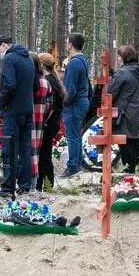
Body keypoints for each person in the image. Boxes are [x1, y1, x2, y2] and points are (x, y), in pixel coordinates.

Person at [0, 35, 37, 193]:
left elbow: (10, 84)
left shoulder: (9, 59)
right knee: (25, 149)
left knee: (9, 149)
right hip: (27, 110)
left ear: (4, 45)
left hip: (12, 111)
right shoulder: (29, 59)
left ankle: (7, 187)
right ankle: (25, 185)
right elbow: (36, 84)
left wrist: (0, 102)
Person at [108, 45, 139, 173]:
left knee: (124, 144)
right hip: (134, 113)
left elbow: (110, 92)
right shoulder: (138, 72)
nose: (118, 59)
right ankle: (131, 173)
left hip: (123, 114)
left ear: (125, 57)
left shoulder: (123, 73)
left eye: (119, 56)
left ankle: (128, 174)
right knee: (130, 144)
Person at [61, 33, 90, 178]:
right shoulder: (83, 60)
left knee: (72, 135)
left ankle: (73, 165)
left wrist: (63, 100)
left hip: (74, 103)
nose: (66, 45)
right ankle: (77, 164)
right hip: (81, 101)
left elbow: (69, 89)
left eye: (67, 42)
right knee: (76, 134)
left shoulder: (74, 63)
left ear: (71, 45)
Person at [37, 53, 65, 191]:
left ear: (42, 65)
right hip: (53, 122)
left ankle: (46, 185)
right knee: (44, 155)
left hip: (48, 122)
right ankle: (44, 184)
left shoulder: (47, 81)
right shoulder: (54, 79)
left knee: (44, 156)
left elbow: (49, 105)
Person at [29, 52, 52, 187]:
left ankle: (27, 183)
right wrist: (43, 115)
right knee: (35, 153)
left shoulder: (26, 82)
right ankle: (34, 183)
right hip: (39, 121)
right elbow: (50, 104)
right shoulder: (45, 83)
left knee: (26, 153)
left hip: (27, 120)